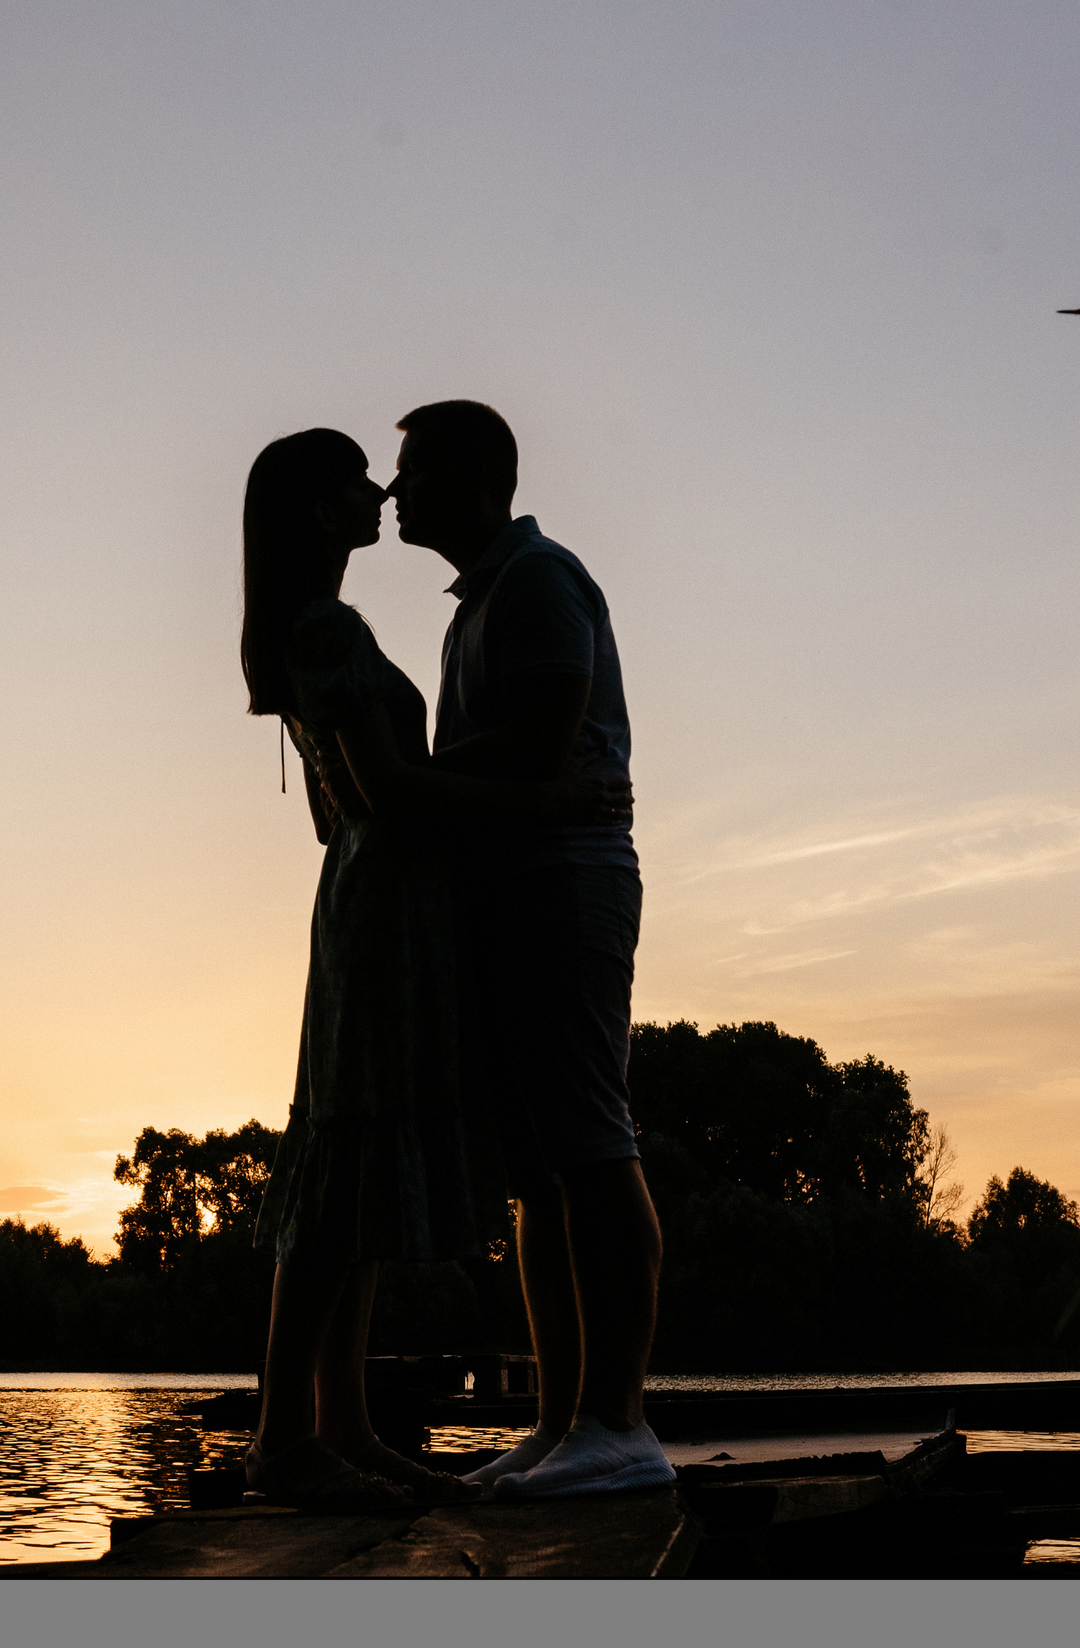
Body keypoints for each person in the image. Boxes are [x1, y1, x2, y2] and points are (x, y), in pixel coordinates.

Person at [237, 427, 625, 1511]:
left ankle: (342, 1427)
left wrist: (393, 805)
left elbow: (338, 811)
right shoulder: (324, 629)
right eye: (362, 479)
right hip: (380, 916)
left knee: (354, 1158)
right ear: (322, 511)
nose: (385, 489)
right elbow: (391, 795)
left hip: (379, 897)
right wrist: (550, 798)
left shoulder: (316, 629)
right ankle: (285, 1437)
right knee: (341, 1157)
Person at [389, 399, 674, 1499]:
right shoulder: (478, 602)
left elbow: (544, 741)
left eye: (414, 470)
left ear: (476, 478)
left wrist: (403, 779)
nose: (394, 490)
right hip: (507, 892)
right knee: (536, 1170)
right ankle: (561, 1424)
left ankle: (621, 1421)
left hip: (566, 880)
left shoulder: (540, 579)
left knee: (592, 1140)